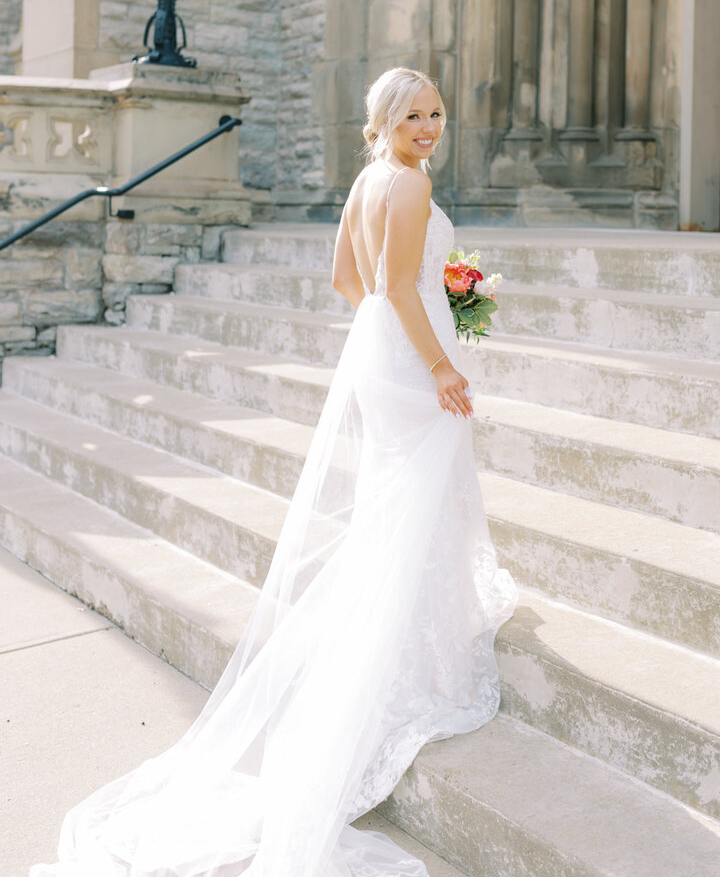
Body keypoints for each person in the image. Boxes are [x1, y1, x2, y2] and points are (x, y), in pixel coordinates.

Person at [32, 67, 517, 877]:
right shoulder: (405, 188)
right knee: (415, 500)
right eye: (414, 115)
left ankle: (418, 615)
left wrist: (438, 306)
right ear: (384, 119)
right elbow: (397, 285)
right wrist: (437, 358)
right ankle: (415, 646)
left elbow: (349, 284)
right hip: (408, 365)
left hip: (379, 356)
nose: (430, 126)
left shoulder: (371, 180)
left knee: (399, 502)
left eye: (437, 112)